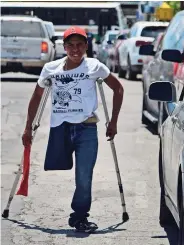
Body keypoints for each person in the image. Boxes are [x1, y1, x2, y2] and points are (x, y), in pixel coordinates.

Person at [21, 26, 124, 233]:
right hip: (61, 128)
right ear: (64, 47)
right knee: (56, 165)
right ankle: (78, 214)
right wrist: (28, 128)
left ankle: (79, 216)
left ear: (86, 46)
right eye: (71, 45)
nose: (75, 50)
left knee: (84, 176)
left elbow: (118, 88)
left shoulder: (95, 66)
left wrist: (113, 122)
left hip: (87, 129)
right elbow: (37, 96)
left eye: (80, 45)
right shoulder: (51, 68)